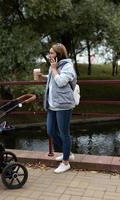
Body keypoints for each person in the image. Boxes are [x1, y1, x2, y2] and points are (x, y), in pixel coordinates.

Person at [39, 43, 77, 173]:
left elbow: (61, 82)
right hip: (52, 104)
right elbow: (53, 79)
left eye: (52, 53)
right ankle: (68, 153)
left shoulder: (68, 66)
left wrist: (54, 69)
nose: (49, 55)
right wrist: (43, 77)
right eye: (49, 53)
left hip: (63, 105)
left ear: (59, 55)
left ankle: (66, 162)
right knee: (50, 131)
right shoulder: (54, 66)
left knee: (64, 133)